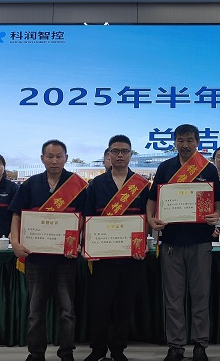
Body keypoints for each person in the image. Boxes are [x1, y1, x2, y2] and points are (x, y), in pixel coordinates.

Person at [146, 124, 220, 361]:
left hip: (200, 241)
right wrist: (150, 219)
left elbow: (218, 200)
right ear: (175, 142)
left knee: (200, 296)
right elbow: (152, 199)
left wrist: (216, 213)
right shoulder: (165, 167)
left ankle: (200, 344)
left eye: (190, 140)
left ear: (197, 142)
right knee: (173, 297)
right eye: (180, 140)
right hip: (171, 241)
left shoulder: (208, 169)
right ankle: (176, 345)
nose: (185, 145)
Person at [9, 140, 88, 361]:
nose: (54, 160)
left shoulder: (78, 185)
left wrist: (79, 243)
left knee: (67, 311)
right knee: (35, 311)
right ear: (42, 158)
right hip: (36, 258)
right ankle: (36, 354)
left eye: (59, 156)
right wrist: (15, 242)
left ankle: (66, 353)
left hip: (65, 258)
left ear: (66, 158)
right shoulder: (30, 184)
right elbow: (16, 214)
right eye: (50, 156)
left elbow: (84, 219)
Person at [84, 136, 149, 361]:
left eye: (124, 151)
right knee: (100, 304)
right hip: (103, 256)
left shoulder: (141, 185)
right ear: (108, 154)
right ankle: (98, 349)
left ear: (131, 155)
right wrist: (88, 247)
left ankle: (118, 349)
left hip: (132, 257)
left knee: (124, 304)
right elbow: (87, 217)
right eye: (115, 151)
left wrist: (143, 244)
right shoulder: (96, 184)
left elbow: (147, 218)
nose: (120, 155)